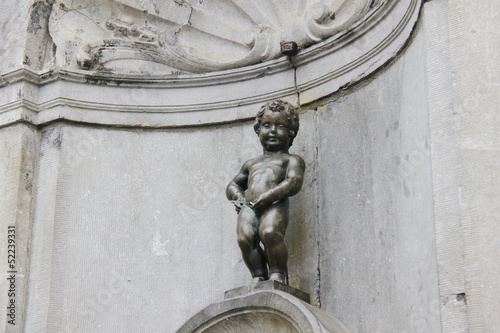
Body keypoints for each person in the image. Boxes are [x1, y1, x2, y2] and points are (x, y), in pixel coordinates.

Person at [226, 100, 305, 284]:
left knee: (270, 233)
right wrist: (239, 198)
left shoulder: (292, 159)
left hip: (275, 203)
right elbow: (232, 185)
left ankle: (278, 274)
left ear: (291, 132)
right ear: (258, 130)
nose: (272, 131)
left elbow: (294, 182)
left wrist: (270, 196)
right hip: (249, 206)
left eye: (280, 126)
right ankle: (258, 276)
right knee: (245, 238)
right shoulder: (251, 163)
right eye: (267, 125)